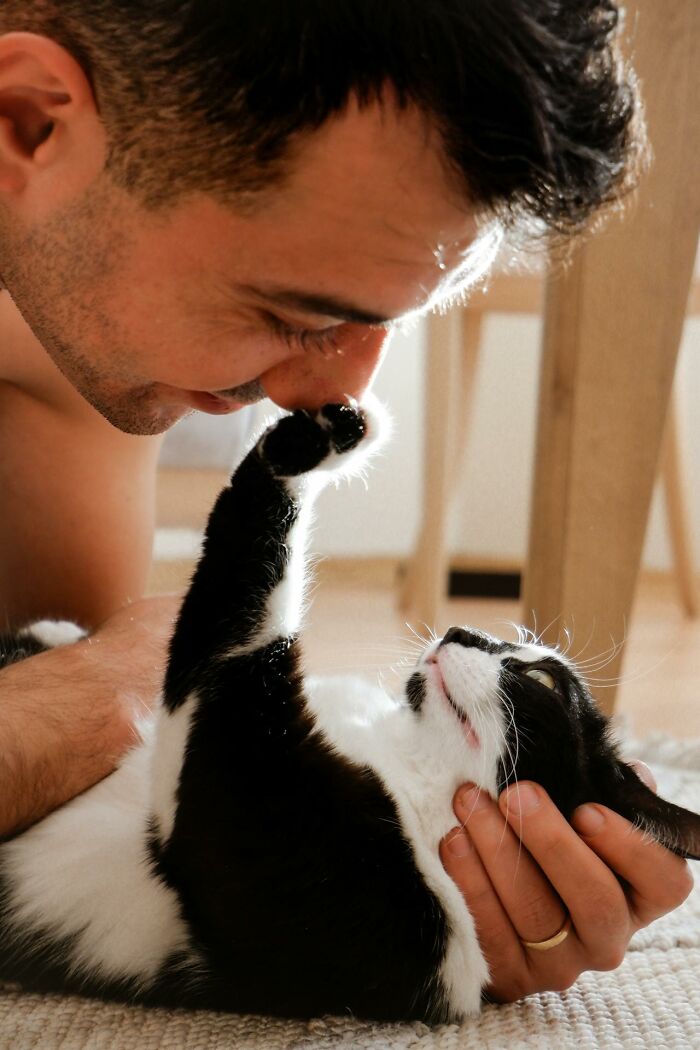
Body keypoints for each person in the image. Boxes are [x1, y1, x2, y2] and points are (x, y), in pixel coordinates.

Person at [0, 0, 692, 1008]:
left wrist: (413, 906)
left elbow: (98, 761)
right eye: (290, 311)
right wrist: (43, 718)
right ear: (29, 121)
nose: (330, 398)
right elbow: (75, 708)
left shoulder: (52, 374)